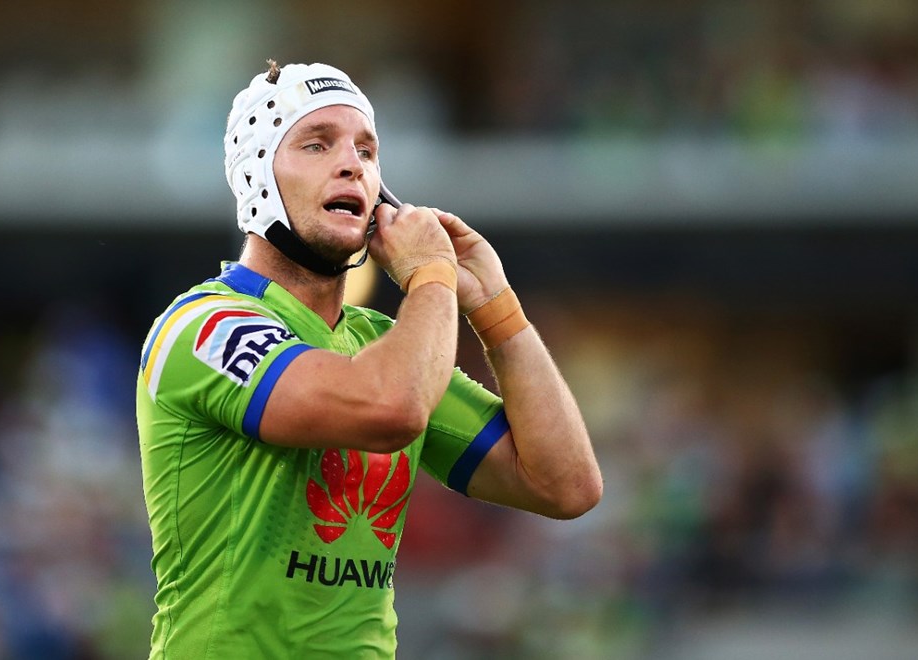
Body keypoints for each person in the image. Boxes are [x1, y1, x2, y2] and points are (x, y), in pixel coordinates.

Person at [136, 59, 602, 659]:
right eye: (316, 144)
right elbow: (391, 408)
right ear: (257, 175)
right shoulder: (203, 326)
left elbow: (565, 485)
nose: (352, 164)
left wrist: (495, 309)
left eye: (366, 150)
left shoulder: (386, 344)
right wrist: (430, 275)